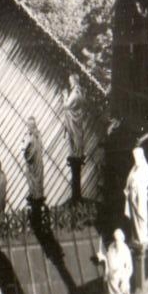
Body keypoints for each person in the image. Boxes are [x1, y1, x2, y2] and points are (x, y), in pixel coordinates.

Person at [100, 228, 133, 294]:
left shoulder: (125, 250)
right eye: (115, 239)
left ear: (122, 239)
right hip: (111, 281)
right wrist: (103, 259)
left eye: (119, 240)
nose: (117, 242)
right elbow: (108, 263)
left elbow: (129, 268)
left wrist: (125, 280)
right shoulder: (111, 248)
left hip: (121, 282)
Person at [62, 73, 86, 201]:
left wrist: (65, 96)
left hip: (74, 124)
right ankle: (77, 153)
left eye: (70, 80)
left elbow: (66, 106)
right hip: (77, 124)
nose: (70, 82)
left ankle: (76, 197)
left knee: (75, 147)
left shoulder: (75, 94)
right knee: (77, 142)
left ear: (75, 81)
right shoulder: (81, 92)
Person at [123, 142, 148, 250]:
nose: (135, 159)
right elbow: (129, 179)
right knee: (134, 218)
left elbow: (144, 182)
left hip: (140, 196)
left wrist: (136, 187)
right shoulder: (135, 168)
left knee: (141, 216)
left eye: (136, 157)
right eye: (134, 157)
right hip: (132, 196)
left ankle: (142, 239)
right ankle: (135, 237)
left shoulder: (146, 168)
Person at [24, 118, 45, 214]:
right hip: (37, 164)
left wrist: (26, 152)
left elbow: (29, 154)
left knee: (34, 181)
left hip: (35, 164)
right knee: (36, 181)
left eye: (29, 126)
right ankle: (36, 195)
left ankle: (35, 196)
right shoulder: (37, 135)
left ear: (32, 126)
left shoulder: (33, 137)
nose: (28, 128)